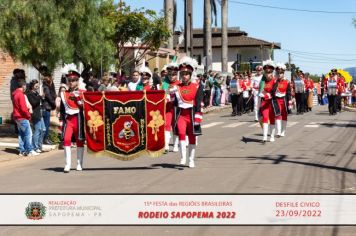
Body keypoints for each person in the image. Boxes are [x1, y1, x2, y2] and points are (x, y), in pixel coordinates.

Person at [171, 56, 203, 168]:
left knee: (193, 138)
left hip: (192, 114)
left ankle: (191, 159)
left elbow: (199, 102)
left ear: (190, 75)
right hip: (181, 115)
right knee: (181, 134)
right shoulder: (176, 87)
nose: (184, 76)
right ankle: (183, 157)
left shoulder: (197, 86)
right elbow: (173, 101)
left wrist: (198, 117)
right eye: (183, 74)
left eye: (186, 74)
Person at [59, 65, 86, 172]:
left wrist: (78, 99)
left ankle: (79, 164)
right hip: (68, 120)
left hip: (78, 118)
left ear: (77, 81)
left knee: (80, 141)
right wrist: (61, 120)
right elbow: (61, 108)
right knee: (66, 140)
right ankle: (67, 164)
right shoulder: (64, 94)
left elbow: (86, 107)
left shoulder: (82, 92)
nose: (71, 82)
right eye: (69, 80)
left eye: (74, 80)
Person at [12, 80, 39, 157]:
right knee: (28, 134)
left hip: (17, 117)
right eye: (25, 86)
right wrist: (28, 116)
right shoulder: (20, 94)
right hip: (22, 117)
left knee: (21, 134)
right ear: (23, 86)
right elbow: (23, 108)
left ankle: (22, 151)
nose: (26, 87)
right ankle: (30, 150)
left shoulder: (15, 94)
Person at [162, 62, 180, 153]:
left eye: (173, 74)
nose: (171, 76)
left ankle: (176, 145)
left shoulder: (180, 83)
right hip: (167, 107)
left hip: (177, 108)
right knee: (167, 125)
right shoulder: (164, 83)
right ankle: (166, 145)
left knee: (175, 126)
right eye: (169, 74)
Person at [259, 60, 277, 142]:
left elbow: (274, 92)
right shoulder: (263, 81)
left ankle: (272, 136)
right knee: (265, 118)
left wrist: (268, 94)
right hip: (264, 102)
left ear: (272, 73)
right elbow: (261, 90)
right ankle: (265, 136)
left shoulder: (275, 81)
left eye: (269, 73)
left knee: (272, 119)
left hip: (272, 102)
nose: (267, 74)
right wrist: (260, 93)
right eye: (266, 73)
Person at [26, 80, 45, 153]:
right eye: (35, 85)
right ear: (32, 86)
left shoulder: (36, 93)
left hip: (40, 113)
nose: (37, 86)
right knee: (37, 130)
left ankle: (39, 146)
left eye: (37, 84)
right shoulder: (29, 94)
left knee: (43, 130)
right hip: (35, 114)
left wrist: (42, 97)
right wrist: (40, 96)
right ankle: (35, 147)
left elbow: (39, 102)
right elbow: (34, 103)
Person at [274, 63, 291, 137]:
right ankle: (278, 131)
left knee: (284, 116)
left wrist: (289, 102)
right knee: (277, 115)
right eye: (278, 73)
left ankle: (283, 131)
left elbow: (289, 93)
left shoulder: (287, 82)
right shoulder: (275, 82)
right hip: (276, 100)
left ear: (283, 74)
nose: (279, 74)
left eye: (281, 73)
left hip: (284, 100)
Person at [42, 75, 57, 144]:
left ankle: (45, 138)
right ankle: (45, 139)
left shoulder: (46, 87)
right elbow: (49, 97)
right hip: (46, 108)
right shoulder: (46, 88)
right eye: (51, 81)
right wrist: (54, 105)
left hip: (47, 107)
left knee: (46, 124)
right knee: (46, 125)